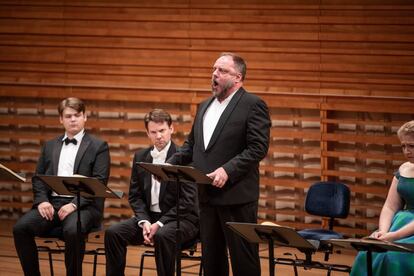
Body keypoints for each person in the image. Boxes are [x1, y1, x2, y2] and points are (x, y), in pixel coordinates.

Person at [167, 52, 271, 276]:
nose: (215, 74)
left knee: (244, 262)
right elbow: (192, 145)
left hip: (237, 198)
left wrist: (228, 170)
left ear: (238, 77)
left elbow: (258, 148)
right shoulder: (204, 106)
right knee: (212, 261)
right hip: (206, 196)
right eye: (214, 69)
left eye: (222, 70)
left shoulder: (253, 104)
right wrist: (169, 164)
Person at [13, 97, 110, 276]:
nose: (73, 119)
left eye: (77, 115)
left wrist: (74, 204)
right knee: (20, 228)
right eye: (68, 116)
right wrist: (42, 201)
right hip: (52, 203)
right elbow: (38, 178)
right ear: (61, 119)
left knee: (73, 230)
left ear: (85, 117)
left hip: (83, 206)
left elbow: (99, 183)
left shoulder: (99, 146)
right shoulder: (50, 145)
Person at [104, 109, 199, 276]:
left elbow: (188, 202)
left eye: (162, 130)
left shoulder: (185, 157)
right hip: (150, 218)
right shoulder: (140, 156)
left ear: (171, 129)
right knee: (113, 233)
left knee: (163, 236)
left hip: (181, 219)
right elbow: (135, 196)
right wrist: (144, 221)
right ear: (147, 133)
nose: (159, 136)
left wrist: (160, 223)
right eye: (153, 132)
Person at [351, 120, 414, 275]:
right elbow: (390, 206)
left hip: (408, 231)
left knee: (395, 257)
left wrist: (392, 236)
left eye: (412, 146)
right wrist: (382, 232)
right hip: (399, 225)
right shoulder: (404, 169)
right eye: (403, 146)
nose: (406, 151)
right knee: (366, 254)